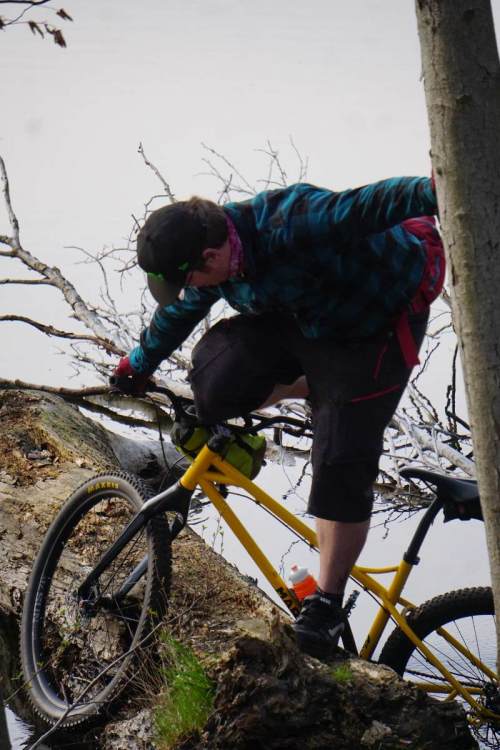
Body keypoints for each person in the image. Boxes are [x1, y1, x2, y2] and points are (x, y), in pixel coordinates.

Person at [111, 177, 444, 659]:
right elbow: (179, 314)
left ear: (209, 257)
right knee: (214, 379)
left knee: (339, 463)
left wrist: (439, 189)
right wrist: (138, 364)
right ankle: (313, 384)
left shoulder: (294, 223)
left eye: (187, 280)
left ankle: (326, 605)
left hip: (377, 327)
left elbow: (370, 204)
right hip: (307, 318)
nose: (188, 290)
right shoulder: (217, 265)